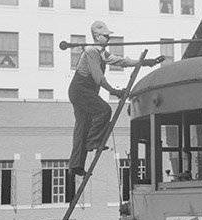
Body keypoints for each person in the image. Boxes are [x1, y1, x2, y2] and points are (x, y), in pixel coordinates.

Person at [69, 20, 162, 177]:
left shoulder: (101, 53)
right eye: (106, 36)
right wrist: (114, 91)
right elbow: (98, 77)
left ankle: (76, 165)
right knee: (104, 110)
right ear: (97, 37)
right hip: (80, 90)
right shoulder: (91, 52)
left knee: (82, 126)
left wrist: (145, 62)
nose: (108, 39)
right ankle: (93, 141)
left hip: (82, 91)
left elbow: (121, 61)